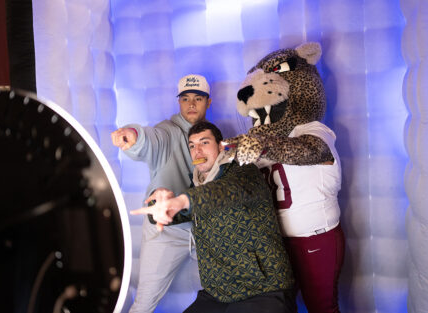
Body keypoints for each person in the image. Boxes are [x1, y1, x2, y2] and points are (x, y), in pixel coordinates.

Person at [132, 121, 295, 313]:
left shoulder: (243, 172)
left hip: (262, 289)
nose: (197, 151)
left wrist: (183, 201)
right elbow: (170, 214)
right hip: (219, 293)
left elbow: (223, 193)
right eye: (192, 146)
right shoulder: (198, 186)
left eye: (204, 143)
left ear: (221, 146)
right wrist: (158, 203)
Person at [111, 74, 212, 313]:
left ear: (208, 102)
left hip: (203, 228)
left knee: (226, 290)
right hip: (166, 230)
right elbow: (150, 139)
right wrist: (133, 136)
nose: (191, 104)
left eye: (198, 98)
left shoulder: (213, 135)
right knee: (144, 303)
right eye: (185, 98)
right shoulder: (168, 131)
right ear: (178, 102)